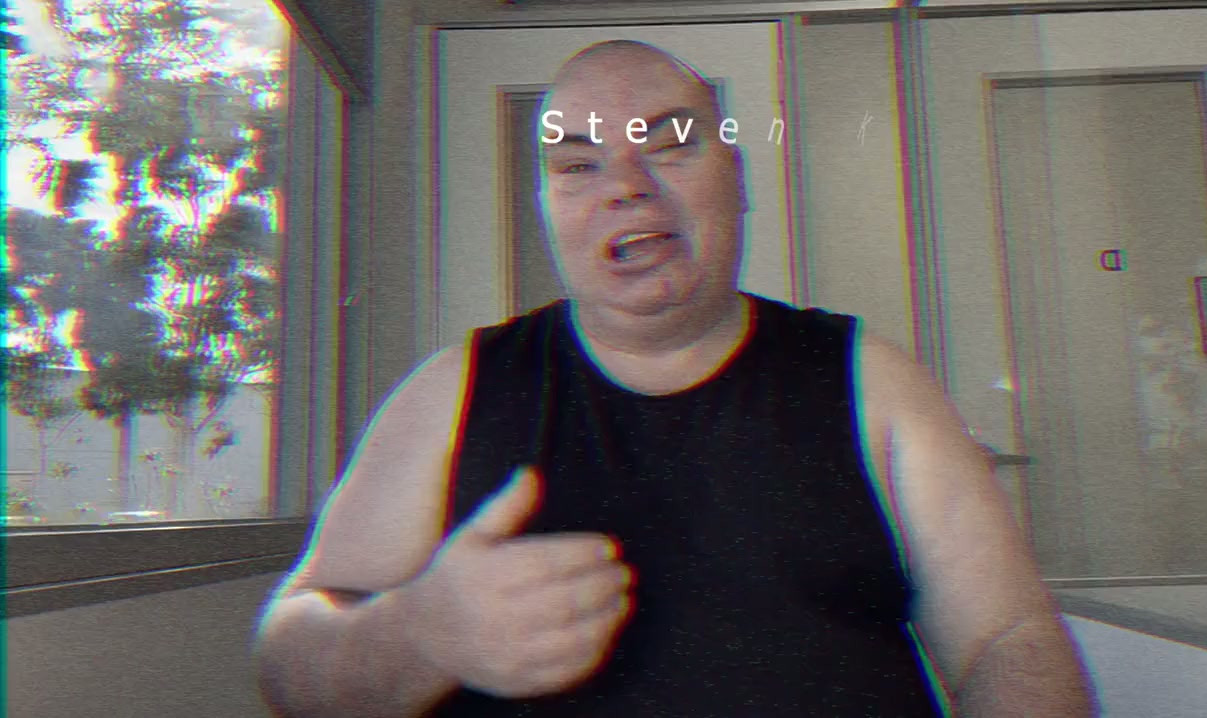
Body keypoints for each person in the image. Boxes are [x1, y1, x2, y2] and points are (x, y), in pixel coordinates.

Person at [253, 40, 1095, 717]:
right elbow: (290, 656)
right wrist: (420, 633)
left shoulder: (869, 380)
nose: (627, 186)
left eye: (669, 147)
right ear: (547, 208)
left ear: (739, 179)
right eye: (578, 165)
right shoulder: (455, 391)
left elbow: (1010, 639)